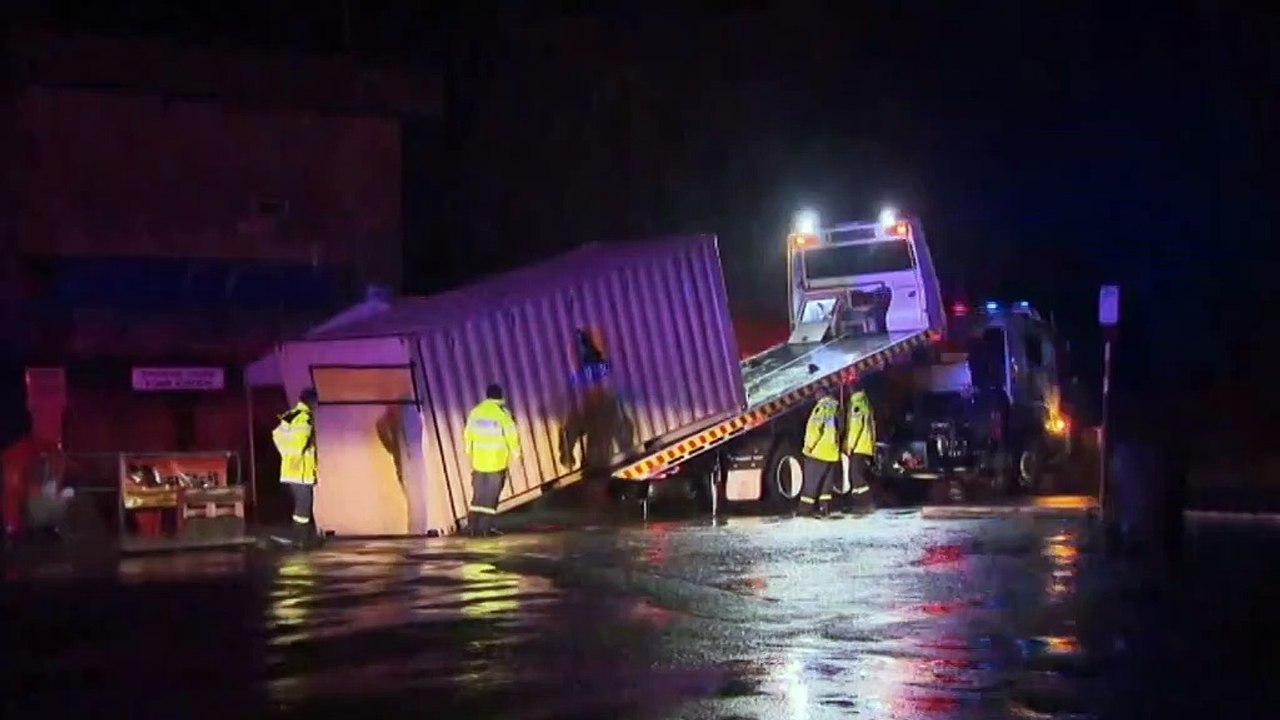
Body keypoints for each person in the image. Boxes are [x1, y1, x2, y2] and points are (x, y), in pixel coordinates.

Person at [463, 383, 520, 537]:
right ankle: (485, 529)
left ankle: (473, 527)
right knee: (490, 498)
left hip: (479, 463)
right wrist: (516, 453)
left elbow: (468, 434)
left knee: (478, 497)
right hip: (496, 463)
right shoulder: (503, 413)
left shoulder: (476, 412)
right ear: (500, 396)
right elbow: (511, 435)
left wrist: (469, 452)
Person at [272, 387, 319, 548]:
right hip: (300, 471)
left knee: (301, 506)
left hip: (290, 469)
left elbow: (276, 434)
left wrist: (286, 454)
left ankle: (299, 538)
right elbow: (300, 443)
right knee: (303, 507)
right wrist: (298, 452)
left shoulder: (291, 414)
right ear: (311, 401)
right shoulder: (305, 418)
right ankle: (299, 539)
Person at [799, 390, 841, 516]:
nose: (815, 396)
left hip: (818, 451)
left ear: (821, 395)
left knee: (811, 483)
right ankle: (825, 509)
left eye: (816, 394)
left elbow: (814, 429)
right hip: (832, 451)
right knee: (826, 485)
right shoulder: (836, 408)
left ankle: (805, 511)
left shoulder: (821, 408)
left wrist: (808, 447)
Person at [844, 388, 878, 507]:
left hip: (859, 446)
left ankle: (868, 502)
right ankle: (858, 503)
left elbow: (856, 427)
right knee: (855, 476)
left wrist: (850, 445)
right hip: (865, 446)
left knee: (856, 477)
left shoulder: (856, 404)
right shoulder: (865, 402)